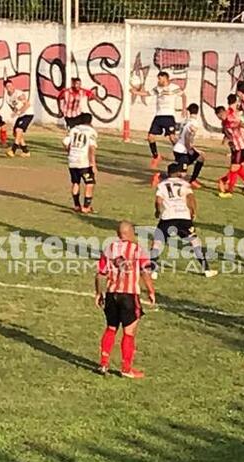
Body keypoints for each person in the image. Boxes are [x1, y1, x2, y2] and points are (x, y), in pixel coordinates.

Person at [95, 221, 156, 379]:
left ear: (118, 234)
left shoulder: (109, 248)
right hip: (129, 295)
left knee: (111, 327)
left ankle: (103, 363)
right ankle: (126, 368)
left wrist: (98, 293)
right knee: (129, 332)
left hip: (111, 294)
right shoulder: (138, 250)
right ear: (132, 233)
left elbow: (100, 273)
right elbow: (145, 272)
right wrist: (151, 291)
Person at [151, 162, 218, 279]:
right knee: (195, 242)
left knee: (158, 242)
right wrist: (193, 212)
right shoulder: (185, 184)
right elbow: (191, 198)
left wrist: (157, 211)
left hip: (168, 217)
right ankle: (206, 269)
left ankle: (153, 271)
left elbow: (158, 201)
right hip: (183, 217)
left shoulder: (162, 184)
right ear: (178, 173)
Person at [130, 71, 187, 169]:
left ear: (165, 78)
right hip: (158, 116)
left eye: (160, 78)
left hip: (169, 116)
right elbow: (147, 93)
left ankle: (181, 156)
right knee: (150, 137)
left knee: (172, 138)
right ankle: (156, 156)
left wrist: (184, 108)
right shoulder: (157, 89)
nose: (158, 80)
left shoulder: (174, 88)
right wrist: (135, 92)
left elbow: (183, 96)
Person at [214, 102, 244, 198]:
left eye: (219, 116)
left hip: (239, 147)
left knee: (234, 169)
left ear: (222, 113)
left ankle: (230, 191)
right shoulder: (224, 122)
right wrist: (225, 139)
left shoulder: (229, 119)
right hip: (238, 146)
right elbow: (228, 132)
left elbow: (240, 124)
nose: (219, 118)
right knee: (239, 167)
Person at [62, 114, 98, 213]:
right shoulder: (91, 131)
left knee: (75, 182)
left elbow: (65, 142)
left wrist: (70, 152)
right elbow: (91, 148)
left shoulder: (73, 129)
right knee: (89, 183)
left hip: (72, 160)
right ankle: (86, 207)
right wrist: (93, 164)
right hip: (84, 161)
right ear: (90, 121)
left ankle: (77, 205)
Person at [171, 103, 205, 189]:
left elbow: (178, 135)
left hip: (179, 149)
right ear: (198, 112)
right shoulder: (194, 123)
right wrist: (190, 149)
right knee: (182, 174)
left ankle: (192, 180)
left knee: (200, 158)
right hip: (183, 151)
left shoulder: (185, 121)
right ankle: (162, 176)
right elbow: (187, 137)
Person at [4, 79, 34, 158]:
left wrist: (19, 112)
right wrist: (15, 112)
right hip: (21, 115)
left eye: (10, 85)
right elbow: (13, 108)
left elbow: (27, 105)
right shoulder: (7, 98)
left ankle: (13, 150)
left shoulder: (19, 94)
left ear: (13, 85)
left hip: (28, 113)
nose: (9, 87)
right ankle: (26, 151)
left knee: (18, 130)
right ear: (5, 88)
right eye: (7, 86)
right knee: (15, 133)